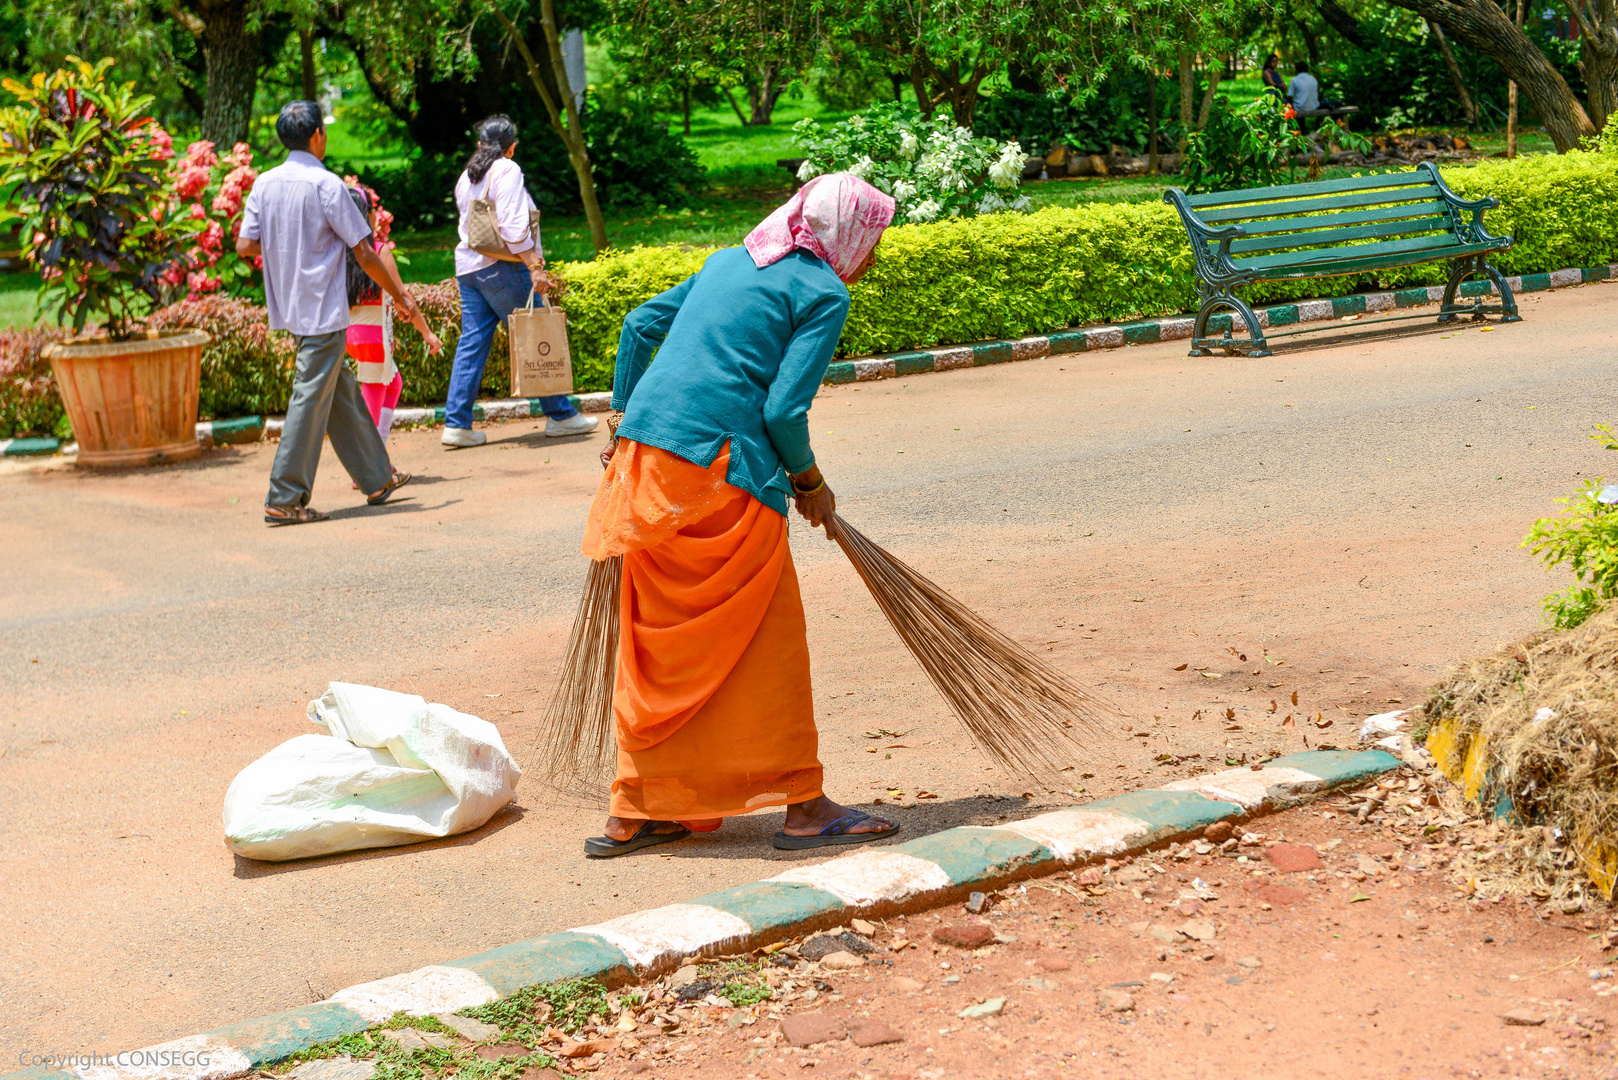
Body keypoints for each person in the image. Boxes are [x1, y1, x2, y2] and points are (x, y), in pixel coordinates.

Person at [579, 173, 899, 858]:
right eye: (873, 240)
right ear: (846, 236)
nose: (872, 256)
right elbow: (784, 410)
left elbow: (639, 327)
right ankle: (805, 807)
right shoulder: (821, 290)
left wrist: (624, 424)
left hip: (645, 467)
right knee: (766, 639)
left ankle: (637, 808)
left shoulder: (733, 259)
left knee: (659, 643)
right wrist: (811, 483)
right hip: (719, 475)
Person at [238, 100, 417, 525]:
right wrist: (402, 297)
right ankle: (284, 497)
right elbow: (366, 252)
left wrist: (285, 262)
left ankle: (377, 477)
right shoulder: (326, 185)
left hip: (292, 305)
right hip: (324, 307)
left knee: (338, 391)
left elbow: (245, 246)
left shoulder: (264, 183)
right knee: (309, 396)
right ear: (317, 134)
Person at [442, 116, 598, 449]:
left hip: (469, 268)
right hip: (502, 267)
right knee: (536, 333)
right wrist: (534, 265)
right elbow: (514, 228)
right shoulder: (507, 170)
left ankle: (456, 423)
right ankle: (561, 415)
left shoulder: (468, 174)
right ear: (511, 145)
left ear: (480, 144)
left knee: (472, 342)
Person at [342, 184, 443, 454]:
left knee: (393, 382)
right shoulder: (377, 249)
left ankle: (378, 455)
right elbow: (403, 296)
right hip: (374, 335)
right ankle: (369, 466)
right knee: (373, 394)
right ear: (367, 216)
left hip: (349, 333)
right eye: (374, 210)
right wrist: (427, 333)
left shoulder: (338, 250)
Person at [1289, 61, 1321, 129]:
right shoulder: (1313, 79)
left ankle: (1300, 128)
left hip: (1300, 108)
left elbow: (1290, 96)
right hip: (1314, 106)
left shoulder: (1294, 80)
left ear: (1296, 70)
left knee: (1292, 105)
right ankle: (1316, 126)